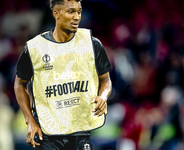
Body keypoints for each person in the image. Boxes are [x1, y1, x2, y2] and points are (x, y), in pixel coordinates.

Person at [14, 0, 112, 149]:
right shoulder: (35, 48)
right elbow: (19, 84)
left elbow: (105, 80)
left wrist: (103, 96)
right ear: (56, 14)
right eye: (70, 11)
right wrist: (30, 122)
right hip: (47, 133)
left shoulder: (92, 44)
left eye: (79, 12)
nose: (77, 17)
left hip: (80, 131)